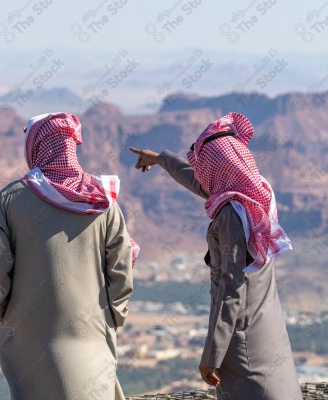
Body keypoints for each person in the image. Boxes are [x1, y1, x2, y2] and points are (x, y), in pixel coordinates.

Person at [130, 112, 303, 400]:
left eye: (205, 166)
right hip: (265, 318)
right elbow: (205, 185)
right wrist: (162, 159)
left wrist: (213, 354)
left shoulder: (230, 216)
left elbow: (232, 288)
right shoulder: (257, 193)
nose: (202, 172)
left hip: (240, 332)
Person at [0, 112, 137, 400]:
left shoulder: (12, 198)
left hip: (27, 334)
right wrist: (112, 317)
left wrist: (2, 314)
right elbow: (120, 268)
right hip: (91, 328)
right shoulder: (101, 200)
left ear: (35, 146)